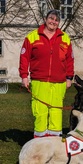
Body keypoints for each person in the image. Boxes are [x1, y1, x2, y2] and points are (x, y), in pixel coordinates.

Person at [19, 10, 74, 138]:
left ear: (59, 23)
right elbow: (24, 57)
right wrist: (24, 76)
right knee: (40, 112)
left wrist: (69, 78)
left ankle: (54, 145)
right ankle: (39, 143)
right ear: (45, 19)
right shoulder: (32, 36)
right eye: (51, 18)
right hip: (39, 81)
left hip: (59, 82)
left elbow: (69, 60)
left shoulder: (65, 38)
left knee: (56, 112)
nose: (53, 22)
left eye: (56, 20)